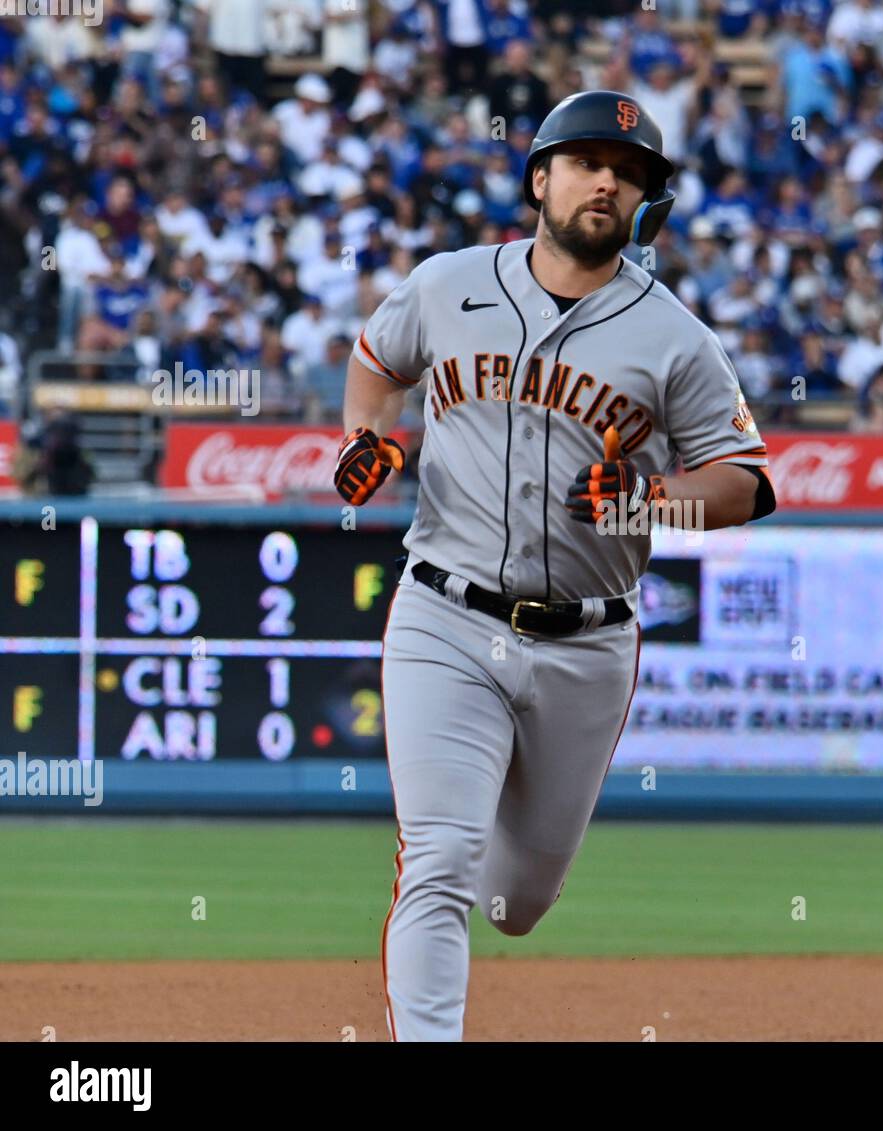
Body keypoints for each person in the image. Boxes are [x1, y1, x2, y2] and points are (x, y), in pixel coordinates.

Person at [333, 90, 776, 1042]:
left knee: (518, 902)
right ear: (541, 179)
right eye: (584, 161)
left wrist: (646, 501)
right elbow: (375, 358)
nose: (606, 179)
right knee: (440, 856)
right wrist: (366, 432)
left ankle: (506, 857)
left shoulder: (675, 337)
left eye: (629, 172)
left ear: (646, 202)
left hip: (587, 643)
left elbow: (744, 484)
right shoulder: (449, 283)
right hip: (443, 612)